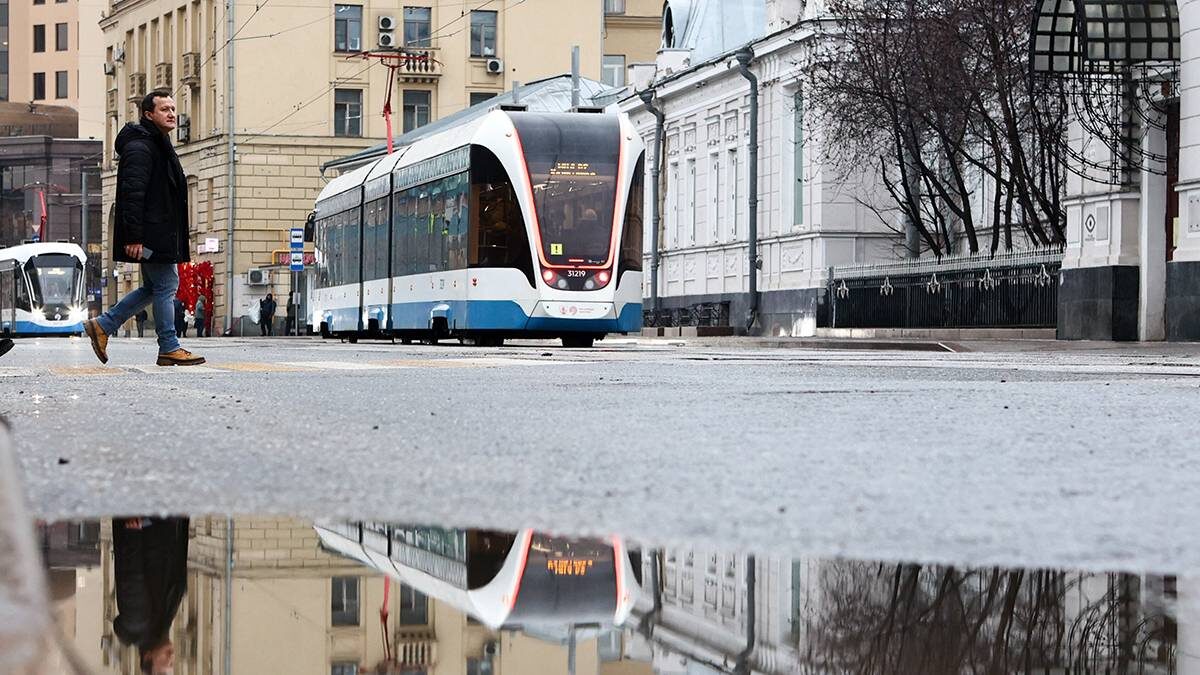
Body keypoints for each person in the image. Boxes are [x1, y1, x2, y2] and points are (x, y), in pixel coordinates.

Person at [82, 90, 205, 366]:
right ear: (149, 114)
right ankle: (169, 346)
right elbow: (132, 195)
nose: (172, 114)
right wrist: (134, 236)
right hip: (152, 232)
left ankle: (103, 325)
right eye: (165, 110)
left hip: (159, 231)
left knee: (155, 285)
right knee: (165, 284)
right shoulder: (141, 148)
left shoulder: (157, 144)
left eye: (173, 109)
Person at [111, 516, 189, 675]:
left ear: (147, 657)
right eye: (172, 664)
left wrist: (133, 533)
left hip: (150, 521)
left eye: (164, 666)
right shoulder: (161, 624)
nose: (171, 658)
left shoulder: (137, 622)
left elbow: (132, 575)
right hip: (166, 520)